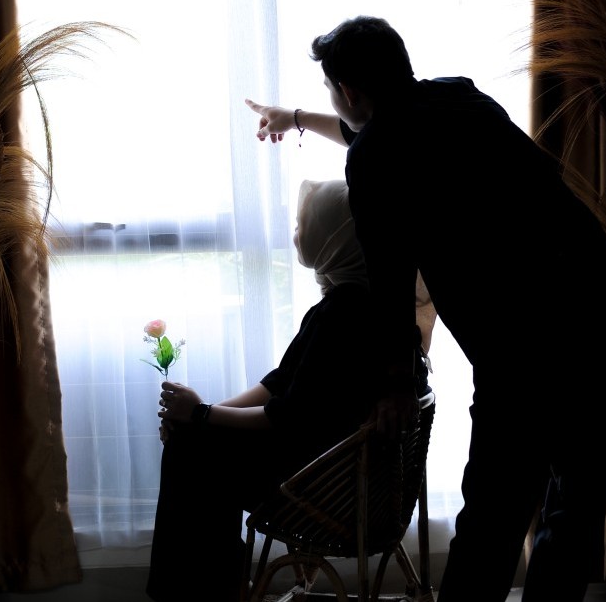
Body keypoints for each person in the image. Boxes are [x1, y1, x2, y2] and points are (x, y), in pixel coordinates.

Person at [245, 15, 606, 602]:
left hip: (518, 343)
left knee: (493, 513)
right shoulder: (458, 98)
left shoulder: (377, 157)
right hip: (593, 307)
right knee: (576, 503)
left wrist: (395, 383)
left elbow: (390, 280)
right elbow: (384, 133)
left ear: (349, 91)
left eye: (331, 89)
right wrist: (298, 118)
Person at [146, 178, 433, 602]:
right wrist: (200, 413)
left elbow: (286, 417)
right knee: (195, 439)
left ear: (334, 240)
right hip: (352, 480)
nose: (295, 232)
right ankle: (215, 584)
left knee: (191, 452)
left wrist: (202, 416)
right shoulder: (373, 307)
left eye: (303, 225)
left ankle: (202, 591)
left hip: (324, 489)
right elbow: (278, 384)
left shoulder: (343, 315)